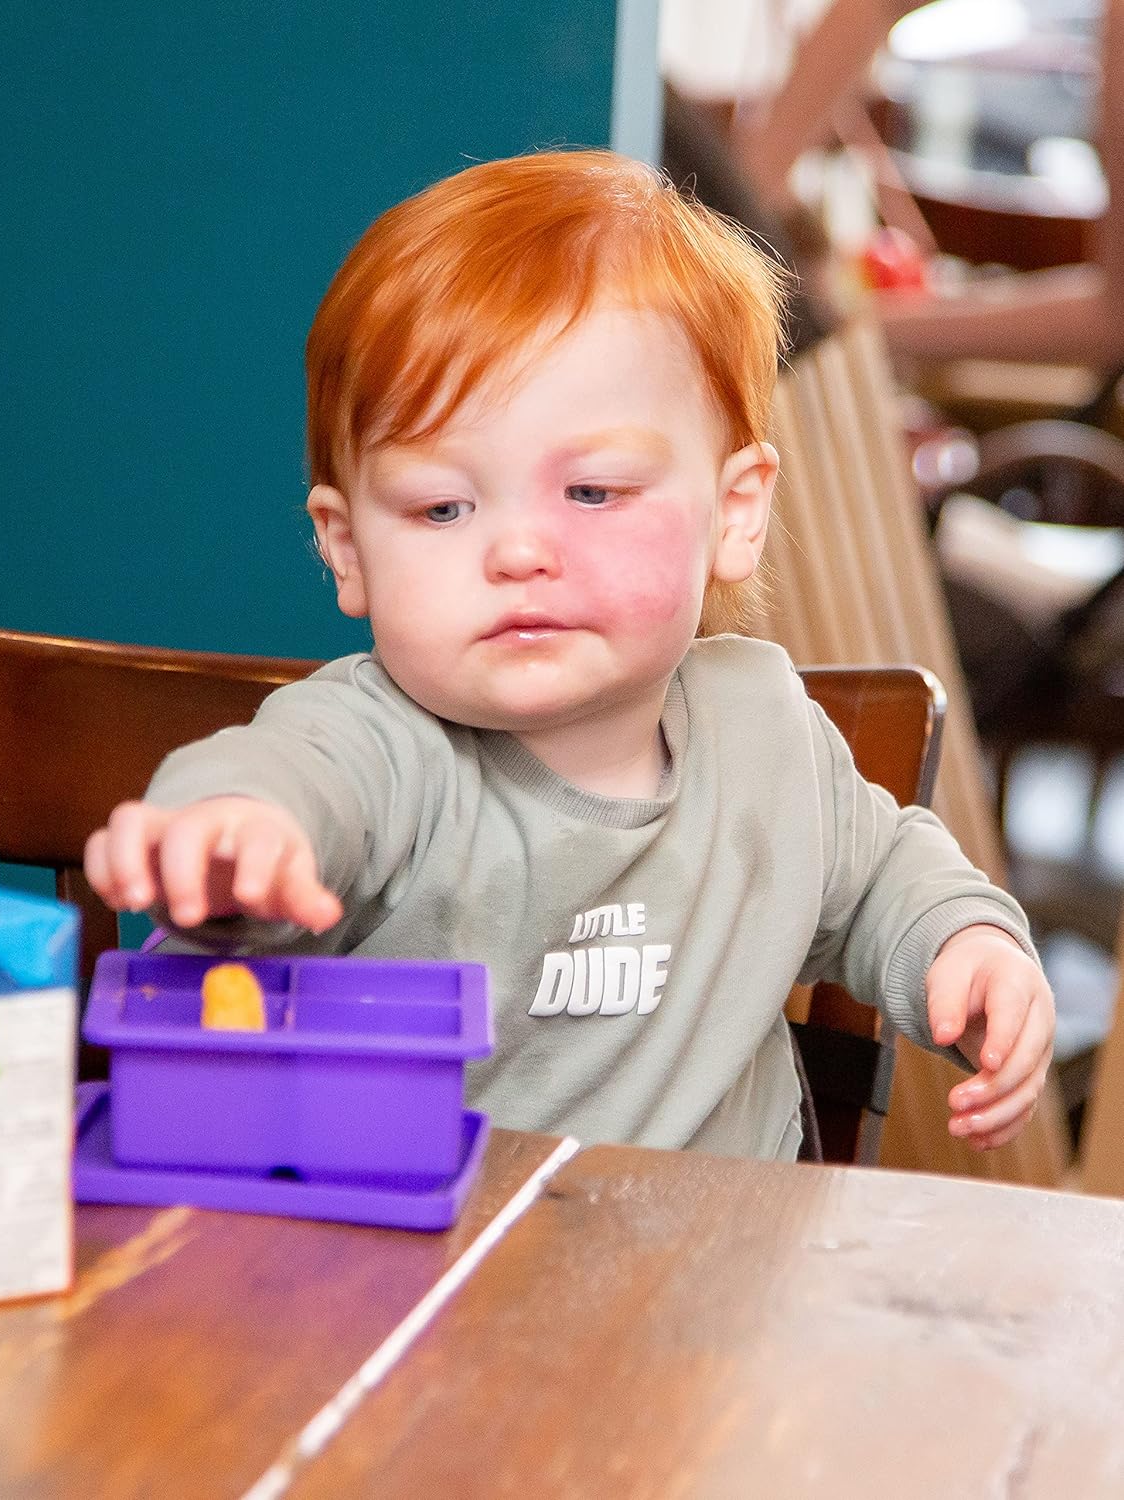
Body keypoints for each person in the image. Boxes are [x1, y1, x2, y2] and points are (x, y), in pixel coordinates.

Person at [84, 149, 1055, 1160]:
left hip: (720, 1290)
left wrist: (968, 945)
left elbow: (888, 874)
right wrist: (230, 826)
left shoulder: (765, 733)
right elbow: (283, 776)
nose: (516, 551)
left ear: (733, 512)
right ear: (348, 549)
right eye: (442, 507)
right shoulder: (383, 744)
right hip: (437, 1287)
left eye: (592, 492)